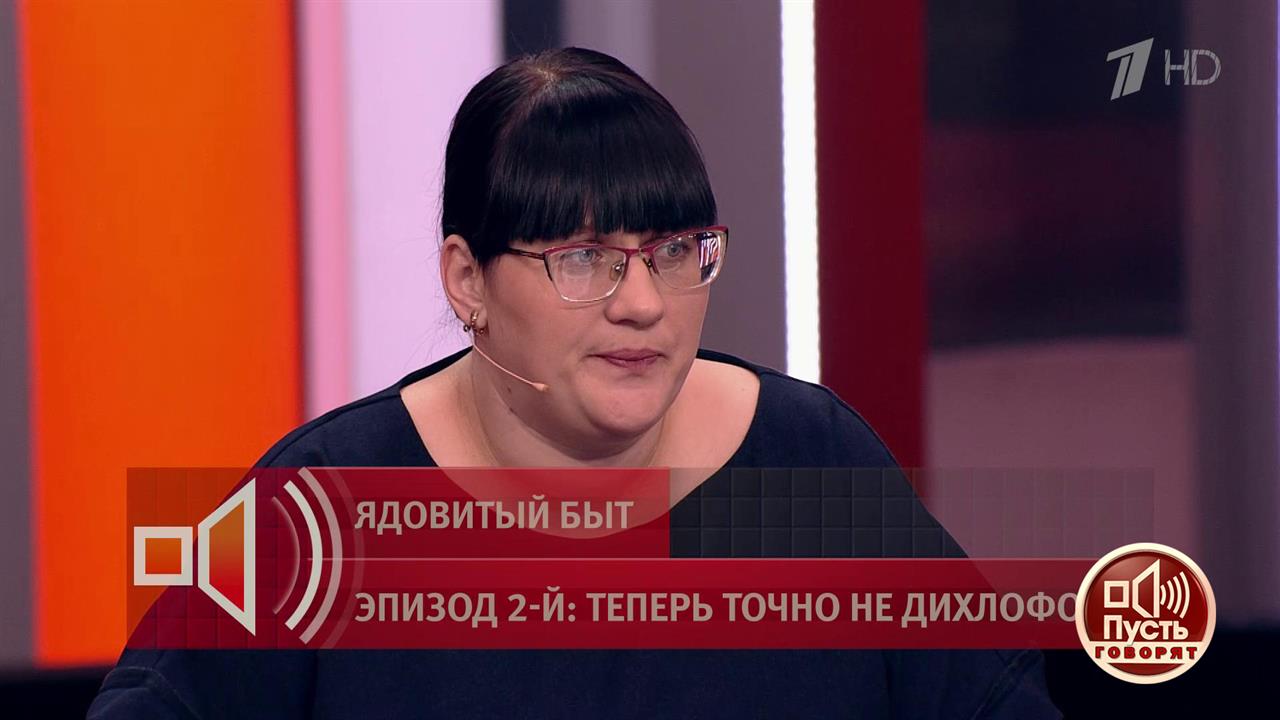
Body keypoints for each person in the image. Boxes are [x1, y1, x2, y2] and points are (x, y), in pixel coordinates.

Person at [88, 47, 1060, 718]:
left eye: (674, 251)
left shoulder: (816, 465)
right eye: (584, 256)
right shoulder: (314, 509)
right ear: (466, 280)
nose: (643, 303)